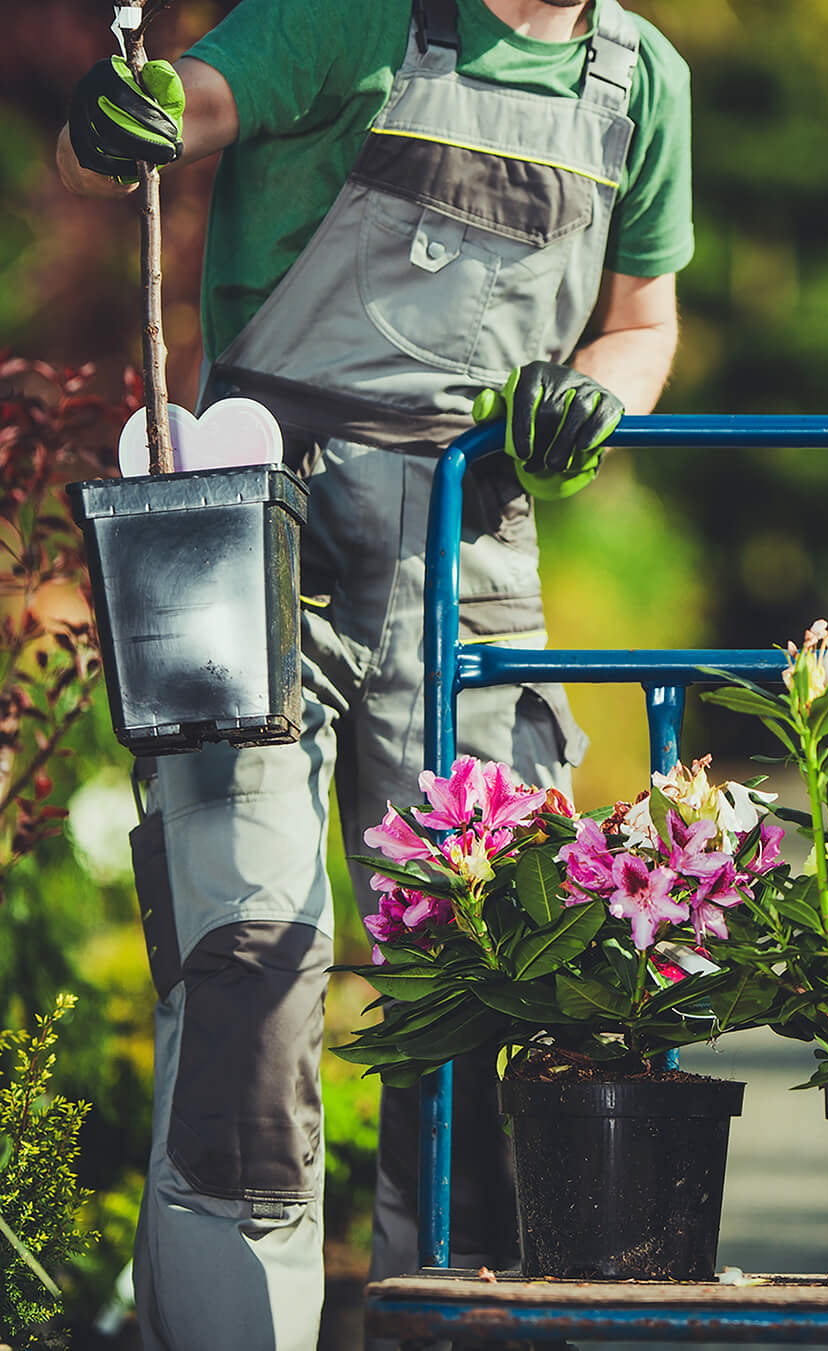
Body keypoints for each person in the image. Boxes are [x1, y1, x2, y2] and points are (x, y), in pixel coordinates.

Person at [58, 0, 691, 1345]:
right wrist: (138, 113)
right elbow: (200, 99)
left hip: (473, 557)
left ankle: (448, 1316)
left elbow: (642, 318)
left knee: (484, 985)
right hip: (260, 544)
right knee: (253, 970)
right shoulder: (350, 17)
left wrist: (603, 394)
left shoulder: (642, 82)